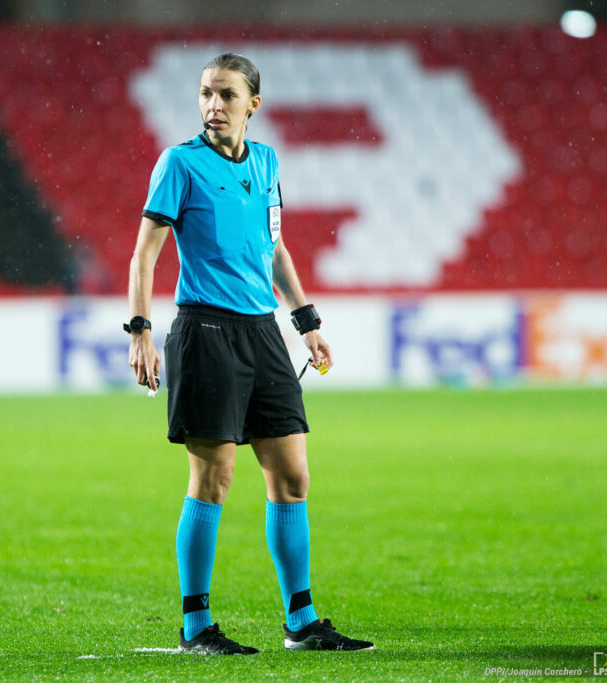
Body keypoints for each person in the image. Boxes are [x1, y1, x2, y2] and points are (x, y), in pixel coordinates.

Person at [125, 53, 374, 655]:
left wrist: (307, 323)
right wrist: (140, 331)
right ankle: (195, 627)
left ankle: (302, 620)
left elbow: (275, 250)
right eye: (206, 93)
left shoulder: (266, 162)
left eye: (226, 95)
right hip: (205, 331)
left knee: (292, 475)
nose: (214, 104)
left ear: (252, 105)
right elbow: (144, 255)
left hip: (263, 333)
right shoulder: (179, 163)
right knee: (213, 478)